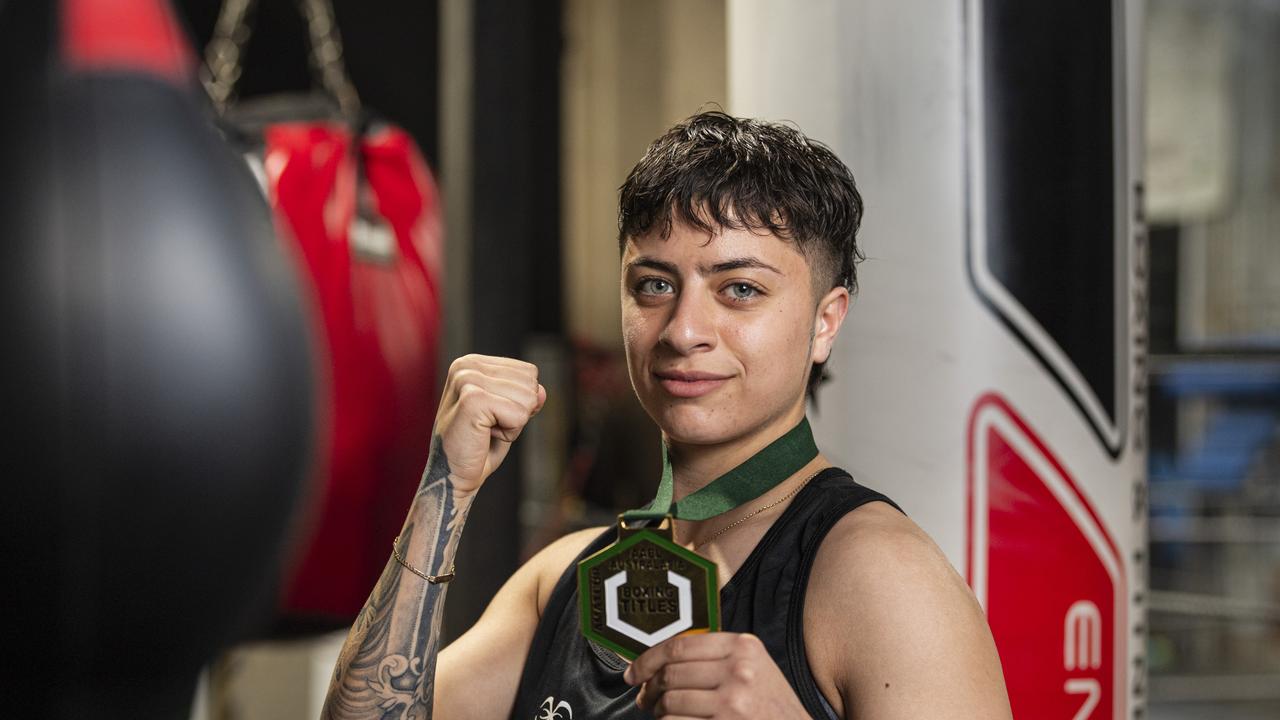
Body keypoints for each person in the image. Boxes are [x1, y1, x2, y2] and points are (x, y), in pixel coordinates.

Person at [321, 111, 1012, 719]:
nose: (683, 330)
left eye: (740, 289)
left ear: (826, 322)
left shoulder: (880, 577)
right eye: (655, 285)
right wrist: (446, 489)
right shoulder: (562, 580)